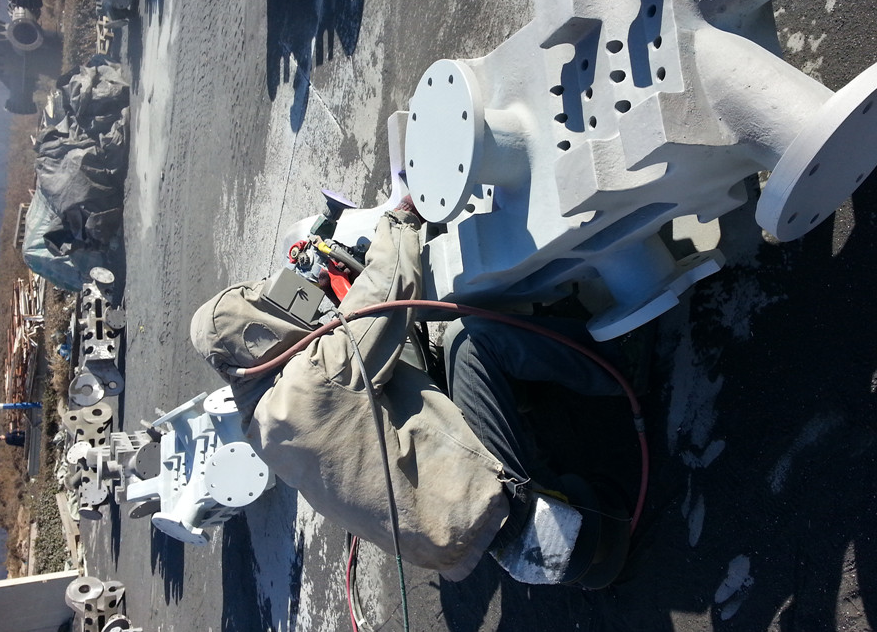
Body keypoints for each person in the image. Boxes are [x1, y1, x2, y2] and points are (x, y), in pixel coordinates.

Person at [191, 202, 632, 587]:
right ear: (256, 333)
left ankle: (522, 402)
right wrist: (400, 218)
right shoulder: (311, 378)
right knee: (467, 343)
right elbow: (388, 290)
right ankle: (620, 363)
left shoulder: (262, 430)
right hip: (483, 504)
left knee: (406, 369)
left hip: (448, 543)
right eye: (264, 304)